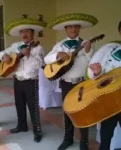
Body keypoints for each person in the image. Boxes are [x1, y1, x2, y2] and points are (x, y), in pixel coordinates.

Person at [44, 13, 98, 150]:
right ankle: (67, 139)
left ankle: (84, 142)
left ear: (79, 29)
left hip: (82, 83)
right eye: (70, 27)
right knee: (67, 112)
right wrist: (57, 55)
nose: (73, 29)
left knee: (82, 112)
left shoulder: (86, 44)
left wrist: (88, 52)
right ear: (66, 30)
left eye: (76, 27)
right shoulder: (60, 45)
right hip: (66, 83)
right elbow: (47, 59)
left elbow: (92, 63)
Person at [0, 16, 47, 142]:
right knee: (19, 105)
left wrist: (29, 55)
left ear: (32, 34)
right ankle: (22, 126)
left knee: (33, 107)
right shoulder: (16, 45)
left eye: (27, 32)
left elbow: (40, 64)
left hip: (31, 81)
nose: (24, 34)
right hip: (17, 80)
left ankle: (37, 131)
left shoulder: (38, 48)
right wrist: (4, 56)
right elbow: (1, 53)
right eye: (22, 32)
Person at [87, 21, 121, 150]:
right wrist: (98, 72)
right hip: (110, 101)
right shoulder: (111, 50)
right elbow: (103, 76)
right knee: (106, 134)